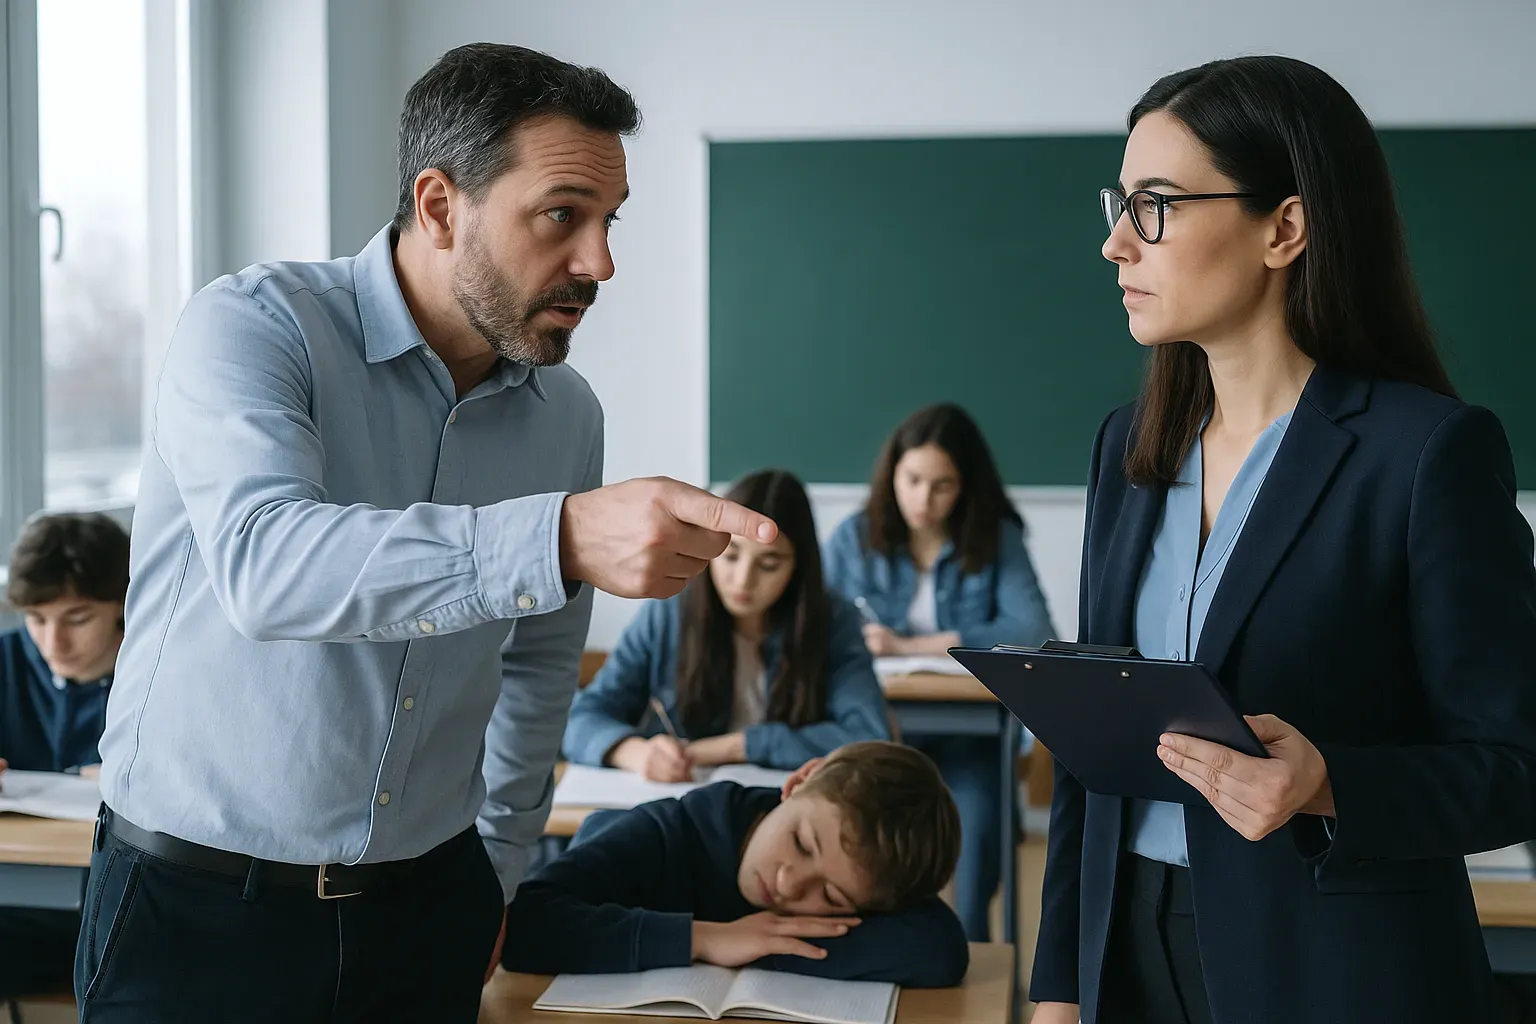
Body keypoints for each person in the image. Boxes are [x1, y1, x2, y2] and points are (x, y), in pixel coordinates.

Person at [78, 44, 779, 1024]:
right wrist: (557, 537)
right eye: (562, 215)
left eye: (609, 221)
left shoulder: (567, 415)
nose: (600, 263)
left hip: (431, 908)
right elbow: (268, 565)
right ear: (441, 206)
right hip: (196, 910)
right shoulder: (254, 326)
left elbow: (539, 664)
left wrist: (500, 863)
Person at [1030, 56, 1536, 1024]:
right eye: (1121, 204)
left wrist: (1331, 782)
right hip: (1126, 953)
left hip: (1332, 970)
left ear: (1285, 228)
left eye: (1155, 205)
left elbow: (1515, 765)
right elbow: (1092, 738)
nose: (1115, 243)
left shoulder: (1425, 451)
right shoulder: (1127, 447)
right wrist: (1059, 985)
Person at [823, 403, 1055, 940]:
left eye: (942, 486)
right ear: (892, 474)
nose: (923, 500)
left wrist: (911, 645)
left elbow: (1032, 630)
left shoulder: (996, 536)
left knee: (980, 829)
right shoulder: (854, 537)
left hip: (970, 737)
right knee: (865, 836)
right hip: (878, 731)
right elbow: (816, 629)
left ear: (966, 486)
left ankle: (970, 948)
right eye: (912, 480)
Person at [502, 740, 968, 987]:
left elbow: (939, 950)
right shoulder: (669, 831)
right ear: (800, 781)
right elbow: (526, 925)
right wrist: (705, 939)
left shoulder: (865, 878)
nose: (789, 883)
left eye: (830, 896)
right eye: (802, 844)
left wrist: (761, 944)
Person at [564, 469, 890, 778]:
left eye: (769, 564)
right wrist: (636, 753)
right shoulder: (670, 612)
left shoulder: (834, 620)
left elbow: (870, 736)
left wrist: (736, 747)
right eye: (731, 556)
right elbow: (580, 719)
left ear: (798, 568)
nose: (743, 580)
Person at [0, 512, 128, 1003]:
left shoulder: (161, 673)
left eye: (78, 618)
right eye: (37, 619)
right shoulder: (8, 659)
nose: (54, 643)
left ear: (123, 605)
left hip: (121, 911)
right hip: (18, 906)